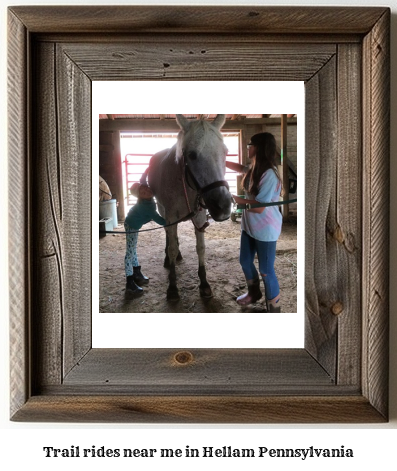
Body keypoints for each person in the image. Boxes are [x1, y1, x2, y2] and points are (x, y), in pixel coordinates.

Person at [226, 132, 283, 312]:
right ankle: (254, 293)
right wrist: (221, 161)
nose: (248, 147)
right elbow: (242, 168)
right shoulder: (255, 169)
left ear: (259, 147)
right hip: (250, 226)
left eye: (251, 144)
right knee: (245, 261)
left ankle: (274, 308)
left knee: (266, 270)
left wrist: (233, 198)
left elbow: (259, 207)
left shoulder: (269, 175)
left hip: (266, 228)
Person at [124, 182, 166, 297]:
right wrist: (170, 221)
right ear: (140, 197)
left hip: (134, 224)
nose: (147, 191)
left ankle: (137, 274)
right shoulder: (146, 206)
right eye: (143, 193)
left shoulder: (148, 200)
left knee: (133, 250)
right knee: (129, 253)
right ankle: (129, 283)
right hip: (131, 225)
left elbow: (144, 177)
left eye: (146, 188)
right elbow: (159, 219)